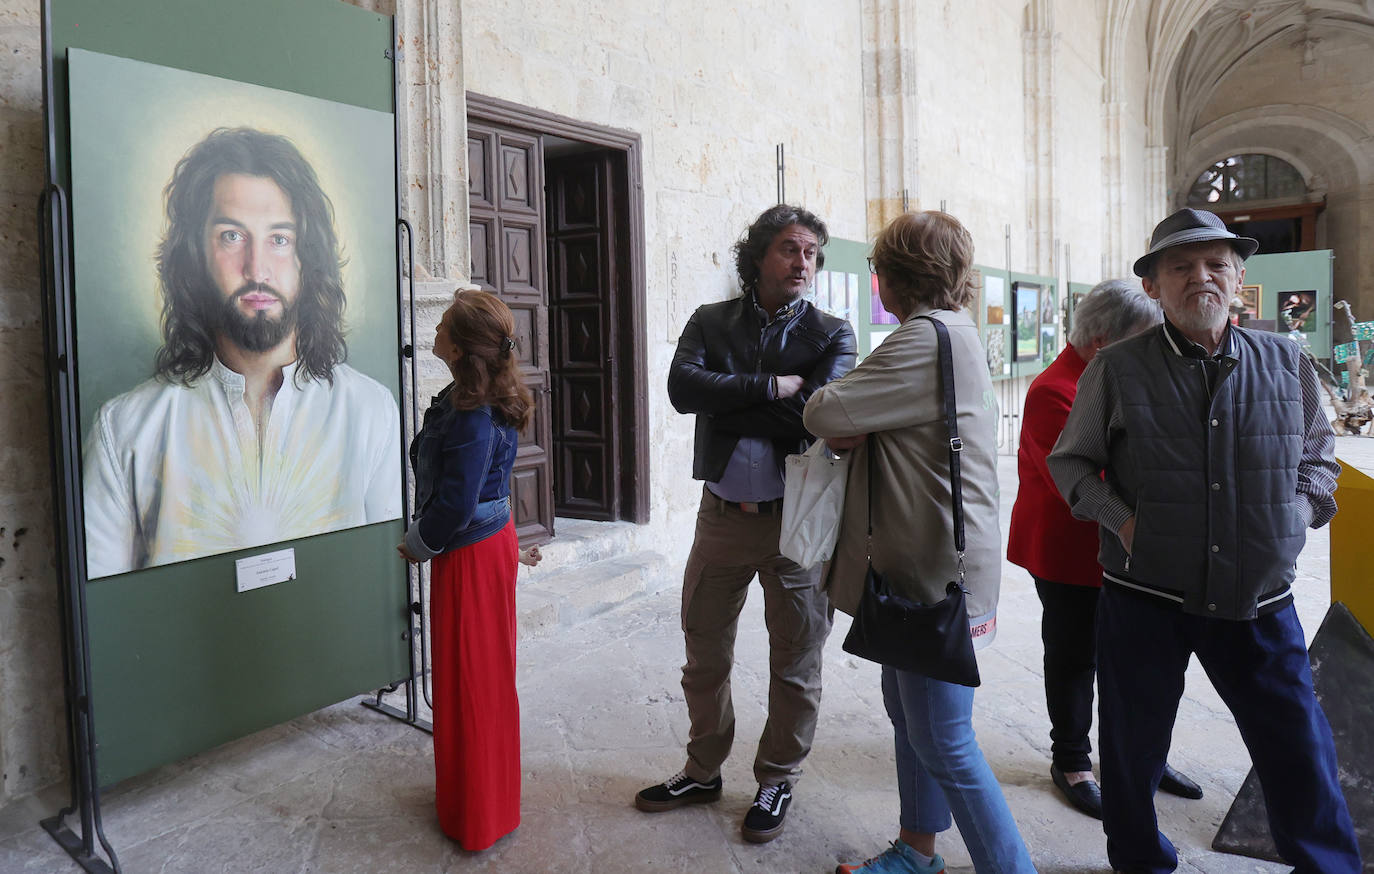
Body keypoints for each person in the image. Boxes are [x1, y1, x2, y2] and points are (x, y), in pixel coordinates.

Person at [1048, 208, 1361, 873]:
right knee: (1134, 751)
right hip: (1145, 598)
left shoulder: (1285, 360)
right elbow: (1070, 463)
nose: (1201, 278)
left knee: (1299, 749)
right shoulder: (1119, 370)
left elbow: (1320, 456)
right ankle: (1139, 860)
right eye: (1181, 267)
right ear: (1155, 285)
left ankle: (1327, 864)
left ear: (1239, 277)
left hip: (1260, 600)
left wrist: (1292, 516)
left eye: (1216, 264)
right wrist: (1125, 522)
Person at [806, 211, 1035, 874]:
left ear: (892, 278)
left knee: (944, 737)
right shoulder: (953, 330)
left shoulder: (923, 338)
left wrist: (851, 419)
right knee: (910, 719)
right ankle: (916, 850)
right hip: (921, 556)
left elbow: (825, 411)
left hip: (937, 565)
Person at [82, 126, 400, 579]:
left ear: (308, 258)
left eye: (279, 239)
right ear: (194, 256)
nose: (257, 267)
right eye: (232, 236)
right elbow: (107, 615)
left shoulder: (370, 412)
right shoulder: (125, 431)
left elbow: (381, 581)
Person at [636, 204, 856, 843]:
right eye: (790, 248)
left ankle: (777, 779)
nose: (803, 262)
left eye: (812, 252)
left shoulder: (832, 334)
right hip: (722, 516)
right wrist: (770, 389)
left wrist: (731, 395)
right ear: (759, 255)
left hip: (798, 522)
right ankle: (703, 769)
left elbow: (820, 418)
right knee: (704, 650)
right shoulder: (711, 320)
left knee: (796, 657)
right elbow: (681, 390)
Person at [1007, 279, 1204, 820]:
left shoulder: (1113, 373)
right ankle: (1071, 760)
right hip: (1070, 547)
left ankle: (1138, 756)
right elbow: (1079, 476)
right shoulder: (1056, 388)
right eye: (1141, 339)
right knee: (1075, 656)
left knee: (1135, 657)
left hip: (1127, 545)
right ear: (1102, 340)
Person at [397, 288, 533, 851]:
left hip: (469, 553)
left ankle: (478, 816)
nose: (433, 332)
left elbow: (457, 503)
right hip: (482, 547)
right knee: (470, 677)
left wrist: (418, 544)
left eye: (442, 326)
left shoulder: (474, 416)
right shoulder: (471, 396)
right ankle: (476, 799)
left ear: (459, 347)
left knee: (472, 681)